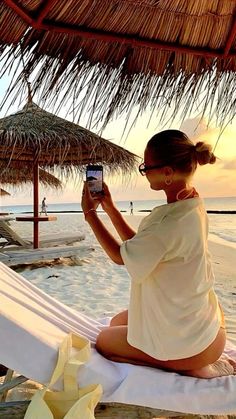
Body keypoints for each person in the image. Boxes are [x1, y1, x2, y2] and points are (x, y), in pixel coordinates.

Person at [81, 129, 236, 379]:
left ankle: (196, 369)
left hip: (194, 346)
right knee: (116, 322)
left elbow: (121, 256)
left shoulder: (167, 222)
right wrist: (109, 208)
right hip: (207, 324)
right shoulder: (192, 203)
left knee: (104, 342)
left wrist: (90, 214)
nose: (144, 172)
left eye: (146, 167)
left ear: (167, 172)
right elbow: (143, 246)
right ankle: (191, 363)